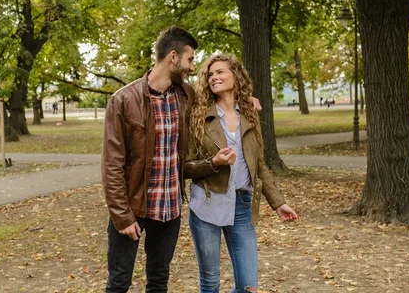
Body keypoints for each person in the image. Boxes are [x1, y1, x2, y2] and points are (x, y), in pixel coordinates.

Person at [184, 54, 298, 293]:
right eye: (210, 74)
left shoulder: (249, 113)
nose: (214, 77)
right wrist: (214, 162)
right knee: (210, 282)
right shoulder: (198, 116)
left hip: (242, 205)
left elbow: (259, 164)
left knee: (249, 287)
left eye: (220, 72)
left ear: (235, 75)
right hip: (207, 204)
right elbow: (185, 166)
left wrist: (278, 203)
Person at [101, 26, 198, 292]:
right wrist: (122, 217)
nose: (192, 67)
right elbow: (112, 165)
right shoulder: (123, 100)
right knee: (119, 282)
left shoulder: (187, 96)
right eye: (190, 59)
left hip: (169, 209)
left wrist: (245, 98)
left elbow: (220, 100)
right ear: (174, 57)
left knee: (159, 280)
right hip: (133, 207)